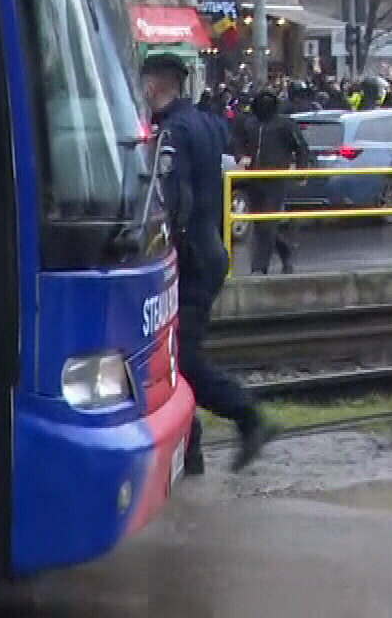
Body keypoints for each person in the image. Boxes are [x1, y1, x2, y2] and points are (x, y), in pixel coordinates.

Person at [141, 53, 275, 475]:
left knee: (183, 358)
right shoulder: (203, 122)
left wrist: (163, 247)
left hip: (191, 258)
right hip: (209, 250)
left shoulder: (174, 131)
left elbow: (175, 199)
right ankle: (192, 451)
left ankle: (248, 416)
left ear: (153, 85)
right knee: (176, 356)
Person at [235, 89, 313, 274]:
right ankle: (285, 250)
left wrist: (301, 172)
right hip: (253, 179)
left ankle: (259, 268)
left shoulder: (284, 124)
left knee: (268, 223)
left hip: (276, 180)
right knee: (260, 224)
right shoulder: (250, 124)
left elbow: (301, 148)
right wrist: (241, 157)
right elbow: (237, 142)